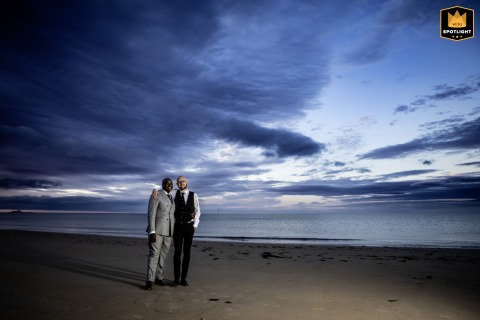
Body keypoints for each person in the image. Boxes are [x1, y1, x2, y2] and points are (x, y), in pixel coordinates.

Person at [151, 175, 201, 287]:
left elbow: (198, 211)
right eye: (178, 182)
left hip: (189, 227)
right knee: (177, 252)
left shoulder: (194, 195)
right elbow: (163, 192)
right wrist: (154, 190)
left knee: (187, 253)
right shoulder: (174, 193)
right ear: (177, 184)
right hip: (177, 227)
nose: (181, 183)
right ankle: (176, 279)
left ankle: (183, 279)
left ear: (186, 182)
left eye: (183, 181)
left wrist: (195, 225)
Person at [143, 177, 175, 291]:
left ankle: (159, 278)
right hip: (157, 231)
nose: (169, 185)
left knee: (163, 256)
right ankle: (149, 281)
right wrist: (152, 231)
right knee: (154, 255)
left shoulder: (172, 197)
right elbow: (151, 213)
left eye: (171, 184)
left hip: (169, 233)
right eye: (167, 183)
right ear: (162, 184)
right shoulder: (156, 195)